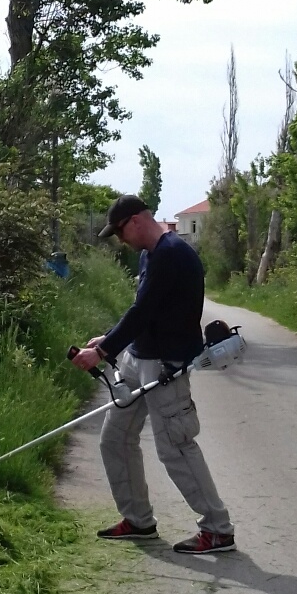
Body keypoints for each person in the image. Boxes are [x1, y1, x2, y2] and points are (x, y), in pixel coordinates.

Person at [71, 195, 235, 554]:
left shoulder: (173, 254)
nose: (120, 240)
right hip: (137, 359)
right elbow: (141, 311)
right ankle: (138, 520)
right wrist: (110, 340)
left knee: (175, 447)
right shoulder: (149, 255)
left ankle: (217, 529)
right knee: (114, 438)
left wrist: (100, 352)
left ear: (134, 221)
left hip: (166, 365)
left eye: (118, 232)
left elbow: (144, 310)